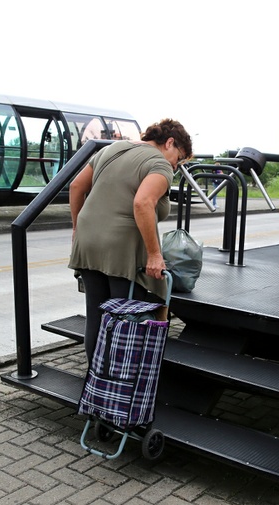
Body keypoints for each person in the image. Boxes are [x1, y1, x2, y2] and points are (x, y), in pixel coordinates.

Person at [67, 118, 193, 362]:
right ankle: (119, 379)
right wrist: (154, 255)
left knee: (96, 315)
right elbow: (143, 203)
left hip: (88, 241)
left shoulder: (111, 149)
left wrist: (76, 228)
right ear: (170, 142)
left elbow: (76, 186)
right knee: (123, 320)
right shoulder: (159, 164)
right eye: (179, 158)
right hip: (122, 250)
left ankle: (96, 377)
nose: (176, 166)